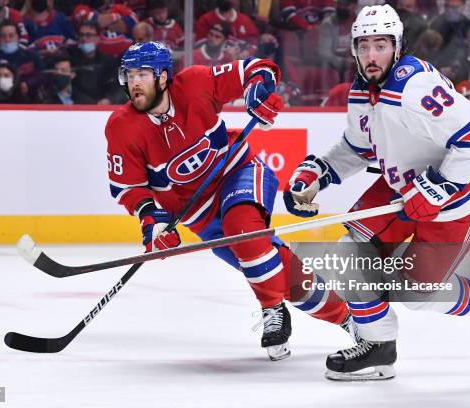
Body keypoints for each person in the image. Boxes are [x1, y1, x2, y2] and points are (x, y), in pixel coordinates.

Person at [284, 4, 470, 381]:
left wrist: (438, 187)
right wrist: (318, 173)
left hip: (463, 196)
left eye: (381, 45)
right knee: (350, 252)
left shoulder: (415, 87)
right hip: (403, 184)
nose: (372, 55)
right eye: (364, 45)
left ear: (398, 46)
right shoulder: (361, 89)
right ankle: (378, 345)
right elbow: (358, 148)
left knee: (417, 293)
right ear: (354, 49)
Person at [105, 41, 351, 361]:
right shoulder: (122, 128)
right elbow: (130, 189)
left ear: (164, 76)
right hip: (199, 217)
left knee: (243, 231)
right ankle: (350, 319)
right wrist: (154, 224)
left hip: (239, 172)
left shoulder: (194, 84)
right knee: (271, 269)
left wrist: (257, 95)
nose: (135, 82)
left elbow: (258, 70)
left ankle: (271, 309)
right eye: (129, 75)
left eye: (143, 74)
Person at [68, 21, 123, 104]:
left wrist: (109, 99)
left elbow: (116, 86)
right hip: (80, 107)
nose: (83, 39)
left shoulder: (108, 61)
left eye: (88, 35)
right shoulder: (71, 60)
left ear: (98, 38)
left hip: (105, 106)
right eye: (81, 35)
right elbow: (72, 89)